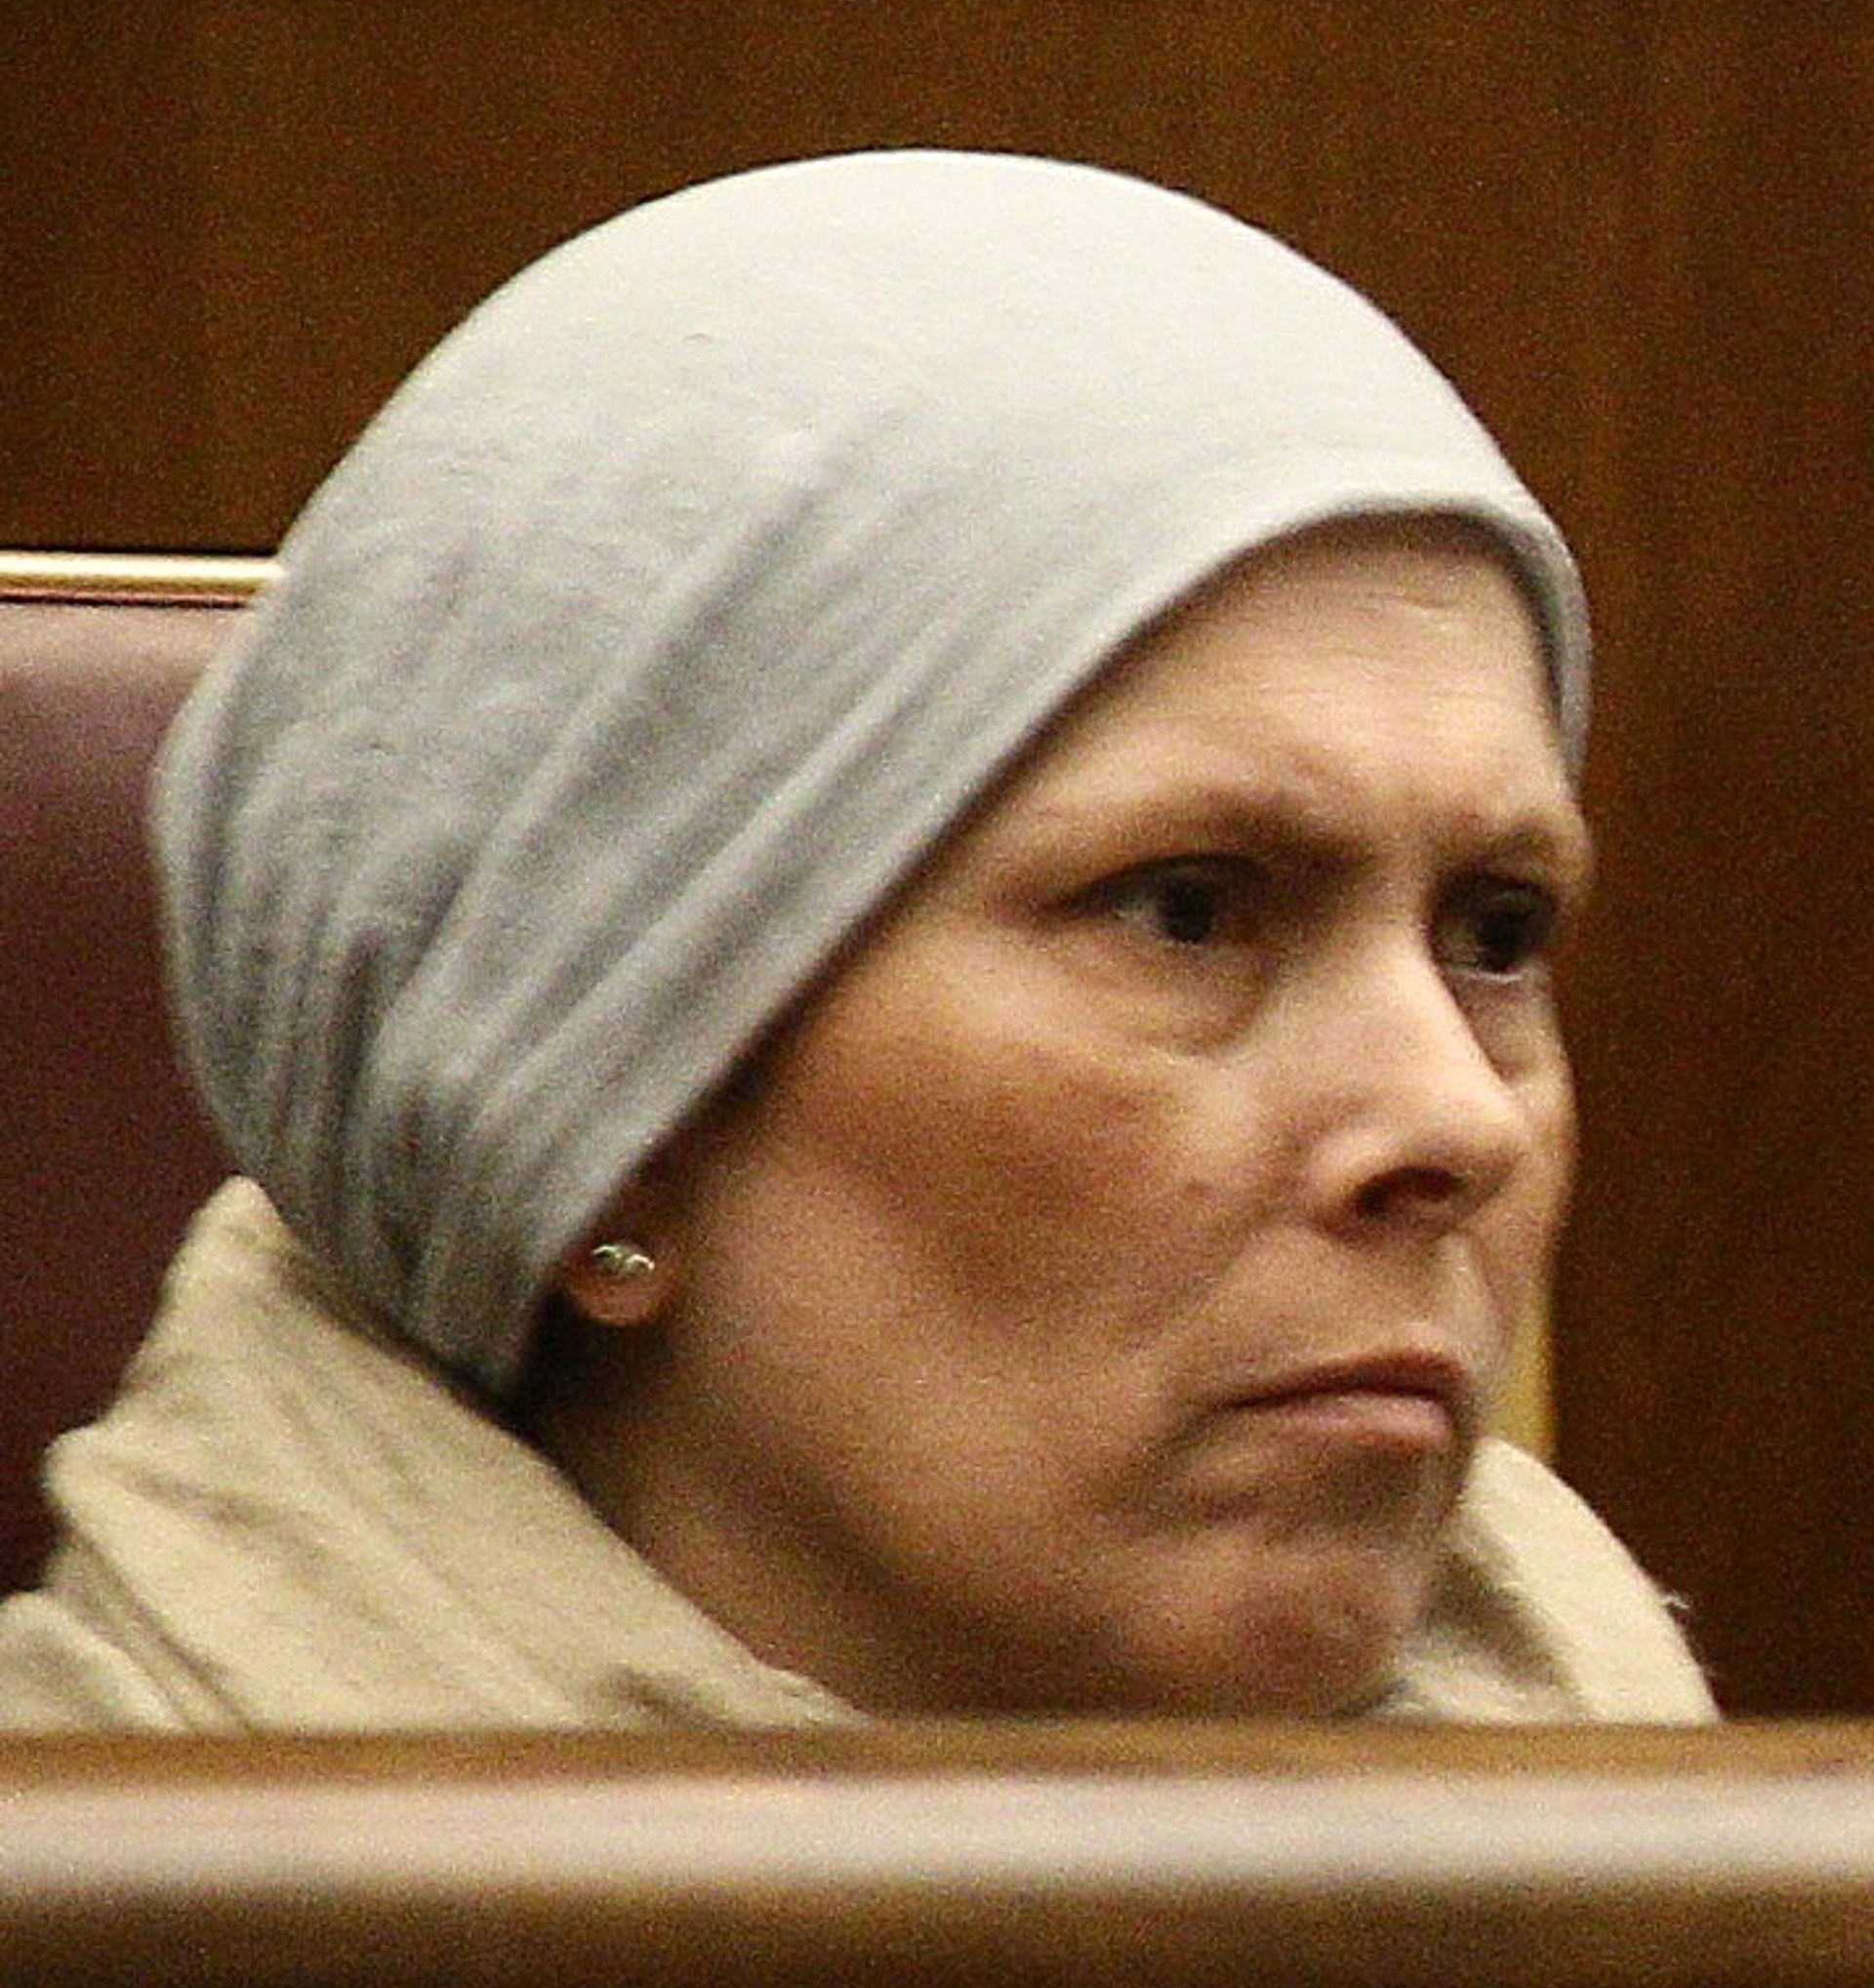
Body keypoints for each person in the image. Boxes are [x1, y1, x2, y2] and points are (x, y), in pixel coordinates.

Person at [0, 150, 1714, 1729]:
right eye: (1187, 909)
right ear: (598, 1132)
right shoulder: (113, 1938)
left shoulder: (1671, 1844)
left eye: (1496, 932)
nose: (1457, 1120)